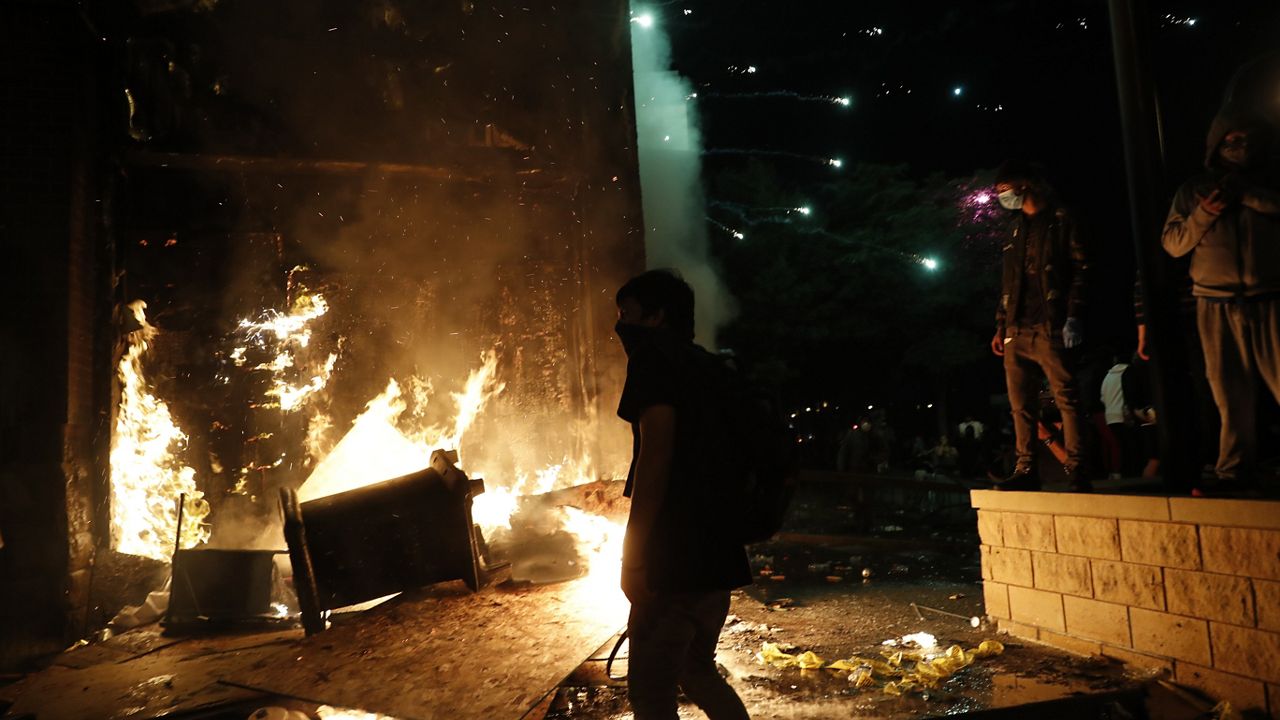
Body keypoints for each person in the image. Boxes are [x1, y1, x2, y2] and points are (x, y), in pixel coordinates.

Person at [613, 269, 752, 720]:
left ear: (656, 317)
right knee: (697, 671)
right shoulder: (710, 367)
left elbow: (656, 463)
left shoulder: (654, 360)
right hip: (720, 553)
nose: (620, 324)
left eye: (627, 314)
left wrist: (633, 558)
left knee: (651, 697)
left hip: (674, 559)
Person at [1162, 110, 1280, 493]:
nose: (1239, 146)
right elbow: (1174, 244)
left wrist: (1248, 196)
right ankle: (1234, 470)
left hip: (1270, 299)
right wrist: (1204, 214)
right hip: (1213, 302)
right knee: (1229, 393)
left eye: (1247, 138)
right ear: (1217, 145)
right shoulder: (1194, 189)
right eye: (1231, 139)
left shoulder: (1269, 183)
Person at [989, 160, 1091, 492]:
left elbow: (1081, 268)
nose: (1002, 197)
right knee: (1020, 404)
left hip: (1052, 323)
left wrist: (1073, 314)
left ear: (1025, 185)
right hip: (1017, 329)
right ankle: (1026, 467)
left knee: (1066, 396)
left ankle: (1076, 467)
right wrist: (1001, 325)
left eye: (1005, 190)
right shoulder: (1015, 228)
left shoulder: (1062, 220)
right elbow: (1008, 280)